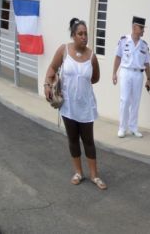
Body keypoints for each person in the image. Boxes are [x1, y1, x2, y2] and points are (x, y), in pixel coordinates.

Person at [44, 18, 106, 190]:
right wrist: (47, 85)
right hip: (68, 105)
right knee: (73, 139)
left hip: (85, 106)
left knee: (88, 141)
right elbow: (51, 69)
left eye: (85, 33)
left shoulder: (92, 56)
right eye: (80, 34)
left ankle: (94, 175)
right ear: (73, 35)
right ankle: (78, 172)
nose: (84, 37)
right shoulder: (63, 50)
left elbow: (95, 78)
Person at [112, 16, 150, 138]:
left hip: (138, 74)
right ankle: (122, 128)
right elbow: (118, 57)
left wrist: (149, 79)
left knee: (136, 101)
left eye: (143, 28)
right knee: (124, 100)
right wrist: (114, 73)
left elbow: (146, 63)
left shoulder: (144, 45)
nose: (143, 31)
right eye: (141, 28)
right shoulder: (124, 40)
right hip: (126, 72)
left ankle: (133, 127)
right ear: (134, 27)